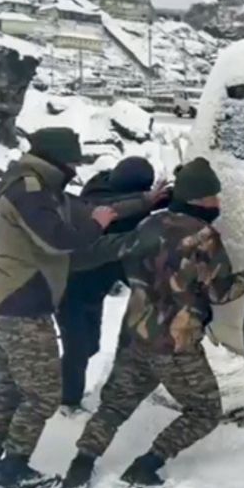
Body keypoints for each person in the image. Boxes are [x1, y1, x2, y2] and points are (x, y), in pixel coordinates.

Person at [61, 158, 244, 488]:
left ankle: (80, 466)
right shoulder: (204, 237)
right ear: (199, 199)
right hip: (175, 345)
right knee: (205, 411)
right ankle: (147, 465)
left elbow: (113, 253)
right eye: (213, 197)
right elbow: (220, 292)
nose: (217, 203)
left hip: (135, 335)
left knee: (114, 407)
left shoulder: (148, 224)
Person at [0, 127, 119, 488]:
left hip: (7, 303)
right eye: (72, 161)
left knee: (7, 390)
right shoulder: (30, 189)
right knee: (42, 396)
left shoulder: (31, 183)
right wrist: (98, 225)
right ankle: (12, 471)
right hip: (21, 307)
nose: (75, 168)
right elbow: (57, 240)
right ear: (57, 159)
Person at [58, 156, 171, 415]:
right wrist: (146, 200)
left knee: (90, 346)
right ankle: (67, 402)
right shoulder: (96, 197)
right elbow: (110, 207)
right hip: (71, 284)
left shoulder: (128, 197)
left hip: (94, 286)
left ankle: (56, 387)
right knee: (77, 349)